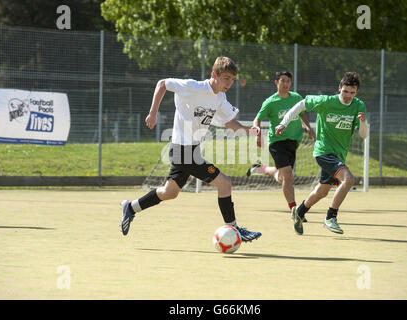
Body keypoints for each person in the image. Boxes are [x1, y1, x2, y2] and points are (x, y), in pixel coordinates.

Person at [119, 56, 262, 242]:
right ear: (214, 75)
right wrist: (153, 113)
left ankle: (131, 207)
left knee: (170, 192)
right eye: (226, 78)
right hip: (182, 151)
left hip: (190, 151)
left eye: (232, 79)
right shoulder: (193, 87)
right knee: (225, 184)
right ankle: (235, 231)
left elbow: (229, 123)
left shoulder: (220, 97)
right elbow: (163, 84)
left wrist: (250, 131)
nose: (229, 83)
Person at [275, 72, 368, 235]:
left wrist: (363, 122)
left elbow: (363, 135)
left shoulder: (358, 106)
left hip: (339, 155)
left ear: (356, 92)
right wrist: (284, 123)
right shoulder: (326, 101)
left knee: (322, 191)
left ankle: (300, 211)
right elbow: (301, 104)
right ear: (339, 88)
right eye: (345, 91)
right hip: (323, 151)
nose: (348, 96)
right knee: (349, 179)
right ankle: (331, 217)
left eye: (352, 93)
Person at [246, 71, 315, 222]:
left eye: (288, 81)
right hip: (277, 142)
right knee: (289, 175)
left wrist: (308, 128)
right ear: (276, 82)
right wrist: (257, 133)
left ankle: (260, 168)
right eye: (282, 80)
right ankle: (295, 210)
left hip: (293, 141)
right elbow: (256, 119)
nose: (285, 83)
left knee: (284, 178)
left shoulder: (296, 98)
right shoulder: (270, 102)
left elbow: (302, 112)